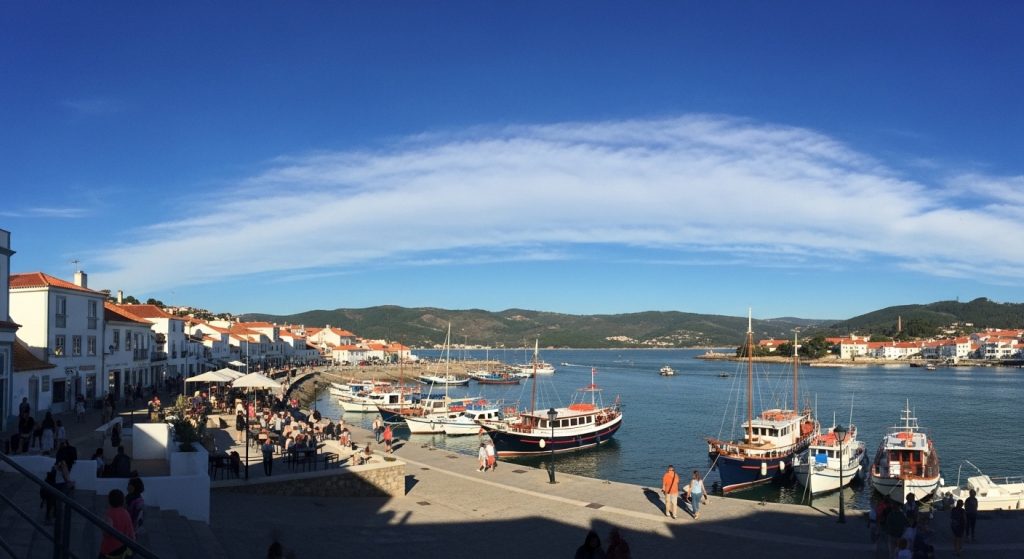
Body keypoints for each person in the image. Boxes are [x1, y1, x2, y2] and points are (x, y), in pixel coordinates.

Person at [98, 489, 135, 559]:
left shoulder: (110, 514)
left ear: (109, 502)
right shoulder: (126, 513)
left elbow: (107, 533)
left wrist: (102, 526)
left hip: (109, 549)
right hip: (122, 546)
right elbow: (131, 532)